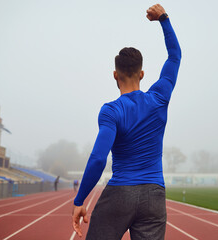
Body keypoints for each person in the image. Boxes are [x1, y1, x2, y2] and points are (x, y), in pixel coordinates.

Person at [72, 4, 181, 239]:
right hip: (154, 195)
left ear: (115, 75)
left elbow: (99, 157)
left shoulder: (110, 111)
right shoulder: (160, 96)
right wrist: (164, 19)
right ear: (141, 74)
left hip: (120, 193)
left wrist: (80, 200)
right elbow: (175, 56)